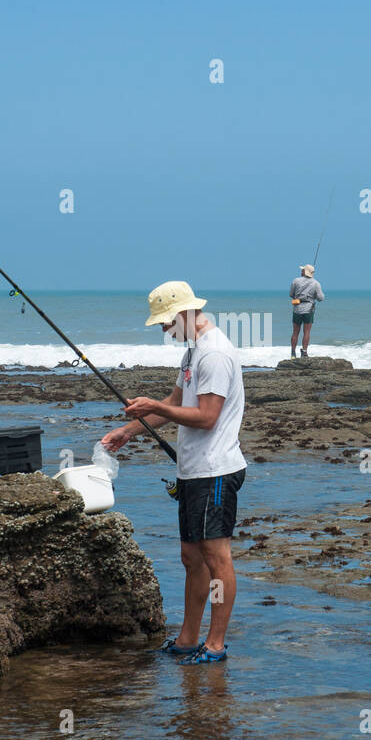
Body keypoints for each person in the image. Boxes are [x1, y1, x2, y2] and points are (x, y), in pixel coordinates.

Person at [99, 281, 247, 665]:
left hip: (215, 471)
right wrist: (128, 431)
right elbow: (175, 402)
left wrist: (157, 409)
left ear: (185, 314)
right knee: (190, 557)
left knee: (216, 558)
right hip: (191, 471)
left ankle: (215, 644)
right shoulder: (192, 353)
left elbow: (207, 418)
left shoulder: (214, 354)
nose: (166, 331)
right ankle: (186, 638)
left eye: (167, 324)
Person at [289, 263, 324, 358]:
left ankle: (293, 353)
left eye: (302, 270)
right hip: (309, 310)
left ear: (304, 272)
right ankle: (304, 352)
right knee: (307, 332)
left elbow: (291, 294)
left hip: (297, 309)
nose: (301, 271)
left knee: (295, 332)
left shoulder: (295, 281)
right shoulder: (316, 283)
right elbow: (321, 298)